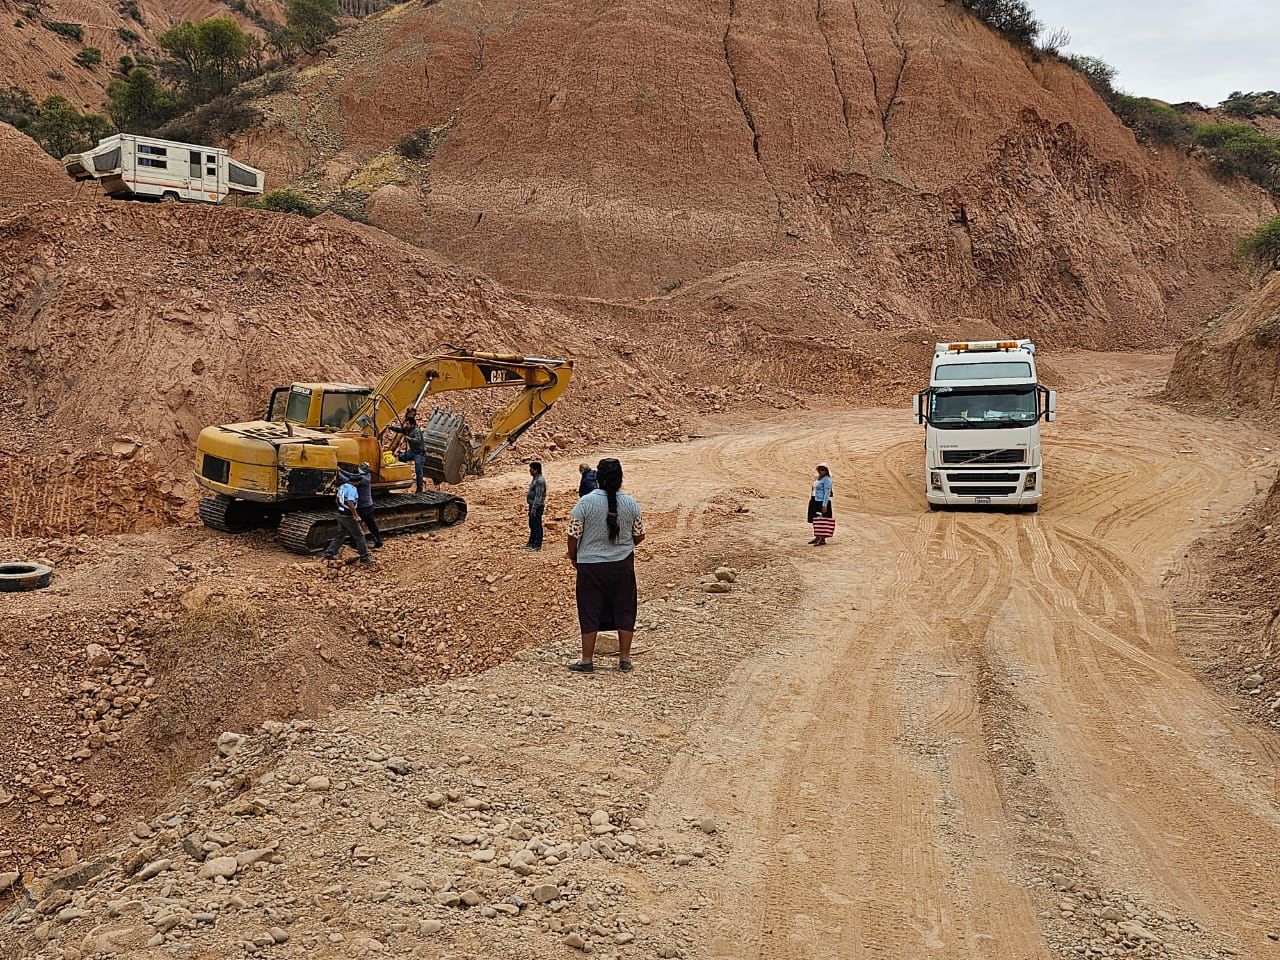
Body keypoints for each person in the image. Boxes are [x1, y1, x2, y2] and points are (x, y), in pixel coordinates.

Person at [566, 458, 645, 674]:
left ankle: (586, 660)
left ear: (597, 478)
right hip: (622, 565)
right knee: (625, 607)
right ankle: (625, 658)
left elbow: (573, 534)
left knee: (589, 609)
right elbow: (639, 535)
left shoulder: (585, 503)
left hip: (590, 566)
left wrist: (574, 556)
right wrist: (623, 546)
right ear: (620, 478)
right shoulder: (630, 503)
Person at [324, 471, 373, 563]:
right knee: (359, 536)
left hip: (340, 514)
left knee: (340, 535)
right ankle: (364, 557)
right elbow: (350, 503)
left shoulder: (342, 486)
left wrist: (340, 507)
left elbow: (337, 500)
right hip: (348, 516)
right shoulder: (352, 489)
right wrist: (356, 516)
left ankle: (329, 554)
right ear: (357, 481)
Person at [337, 461, 384, 549]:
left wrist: (339, 474)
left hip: (364, 507)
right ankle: (376, 540)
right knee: (369, 524)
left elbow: (349, 480)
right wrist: (341, 470)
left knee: (361, 525)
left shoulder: (364, 479)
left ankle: (368, 542)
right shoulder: (365, 475)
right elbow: (351, 475)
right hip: (365, 505)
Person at [387, 407, 427, 494]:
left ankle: (419, 489)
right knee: (401, 457)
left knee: (418, 470)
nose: (406, 425)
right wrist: (391, 427)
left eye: (407, 424)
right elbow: (400, 430)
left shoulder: (416, 431)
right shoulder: (407, 429)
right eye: (406, 423)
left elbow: (418, 440)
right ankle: (405, 473)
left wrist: (408, 438)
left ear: (412, 425)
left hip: (419, 454)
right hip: (412, 451)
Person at [808, 463, 833, 546]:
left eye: (823, 469)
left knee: (822, 520)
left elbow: (827, 493)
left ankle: (822, 539)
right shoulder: (817, 478)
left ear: (826, 471)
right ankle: (817, 537)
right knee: (815, 519)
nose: (821, 471)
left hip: (822, 501)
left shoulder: (827, 480)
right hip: (815, 500)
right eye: (820, 469)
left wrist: (824, 505)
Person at [526, 461, 547, 551]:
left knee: (537, 525)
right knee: (532, 524)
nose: (529, 471)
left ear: (536, 470)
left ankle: (537, 544)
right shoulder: (535, 478)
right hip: (532, 505)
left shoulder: (539, 481)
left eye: (531, 469)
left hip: (537, 506)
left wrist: (534, 508)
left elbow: (538, 496)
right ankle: (531, 542)